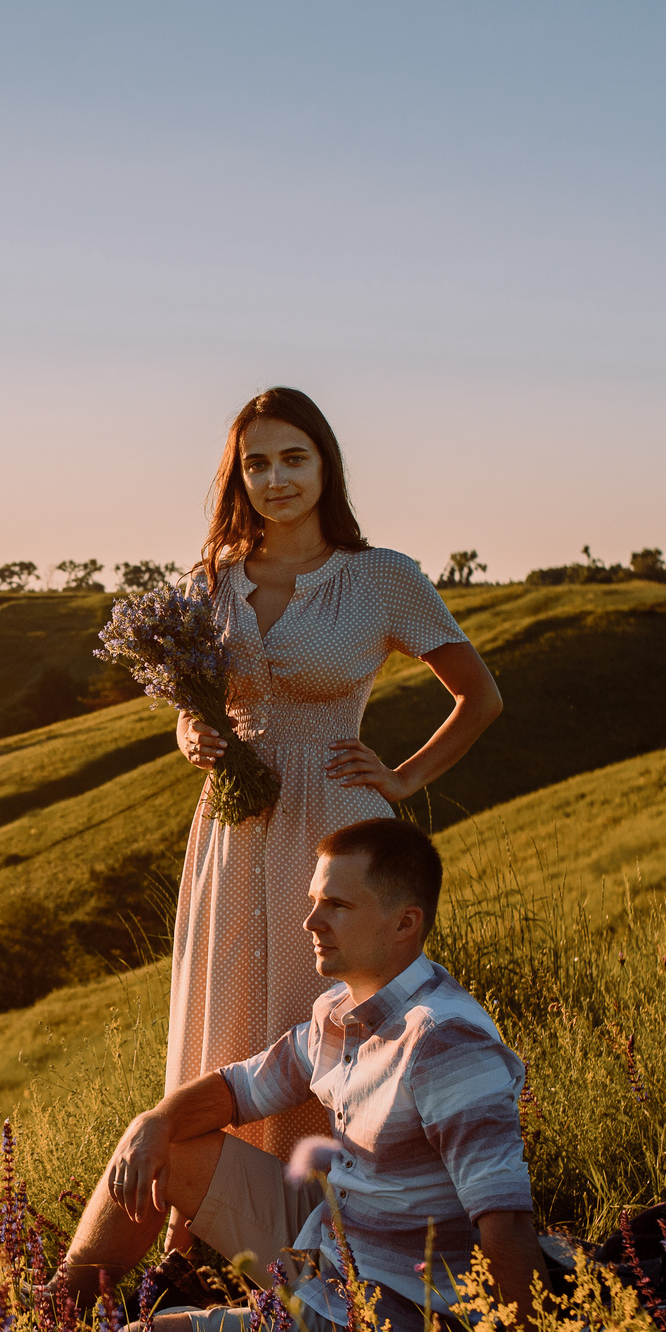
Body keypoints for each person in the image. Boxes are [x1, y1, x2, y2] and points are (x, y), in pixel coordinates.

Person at [53, 817, 556, 1332]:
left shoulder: (445, 1040)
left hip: (388, 1308)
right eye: (315, 901)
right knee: (165, 1140)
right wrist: (154, 1119)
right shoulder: (339, 1012)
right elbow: (238, 1088)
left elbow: (505, 1221)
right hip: (332, 1237)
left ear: (404, 923)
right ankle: (55, 1311)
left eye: (336, 905)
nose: (310, 921)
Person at [168, 387, 502, 1168]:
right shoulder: (210, 580)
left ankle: (331, 1208)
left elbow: (480, 696)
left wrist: (404, 776)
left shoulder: (381, 577)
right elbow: (193, 703)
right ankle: (212, 1215)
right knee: (225, 1007)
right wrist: (191, 732)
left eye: (294, 458)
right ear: (237, 476)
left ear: (325, 465)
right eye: (257, 463)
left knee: (316, 1005)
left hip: (334, 823)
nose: (276, 478)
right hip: (231, 824)